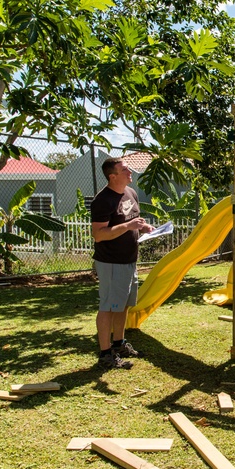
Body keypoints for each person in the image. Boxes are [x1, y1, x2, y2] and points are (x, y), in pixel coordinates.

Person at [91, 157, 154, 370]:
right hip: (111, 262)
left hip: (129, 260)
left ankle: (119, 343)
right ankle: (105, 353)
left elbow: (133, 221)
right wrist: (128, 226)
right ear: (113, 176)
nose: (131, 172)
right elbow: (99, 235)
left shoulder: (131, 193)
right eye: (125, 169)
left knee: (124, 304)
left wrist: (142, 227)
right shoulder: (103, 200)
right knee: (108, 306)